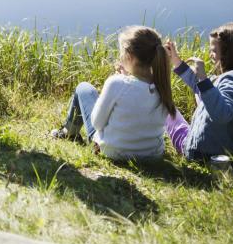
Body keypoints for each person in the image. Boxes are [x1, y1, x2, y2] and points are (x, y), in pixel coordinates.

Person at [50, 26, 175, 160]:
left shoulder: (116, 83)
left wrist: (120, 79)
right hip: (152, 154)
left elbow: (97, 124)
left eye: (121, 52)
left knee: (84, 88)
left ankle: (69, 132)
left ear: (130, 56)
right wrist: (127, 77)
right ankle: (69, 131)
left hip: (113, 152)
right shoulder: (162, 85)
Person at [165, 23, 233, 163]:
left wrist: (202, 77)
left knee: (167, 110)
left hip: (210, 156)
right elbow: (200, 86)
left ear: (230, 53)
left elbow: (221, 114)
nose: (209, 55)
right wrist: (175, 60)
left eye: (213, 50)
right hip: (231, 154)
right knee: (201, 93)